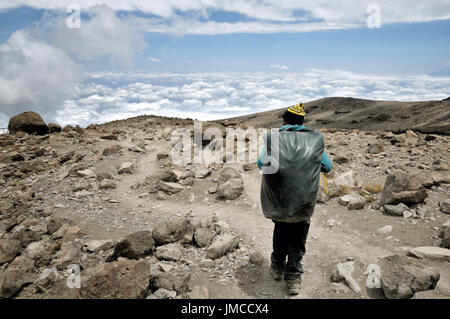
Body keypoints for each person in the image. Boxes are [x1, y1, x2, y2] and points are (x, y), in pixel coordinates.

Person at [257, 103, 333, 295]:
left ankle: (276, 267)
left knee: (280, 230)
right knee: (298, 238)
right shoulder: (314, 140)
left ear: (284, 121)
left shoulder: (274, 139)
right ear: (302, 122)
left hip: (279, 200)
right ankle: (293, 278)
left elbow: (261, 163)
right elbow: (327, 166)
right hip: (303, 200)